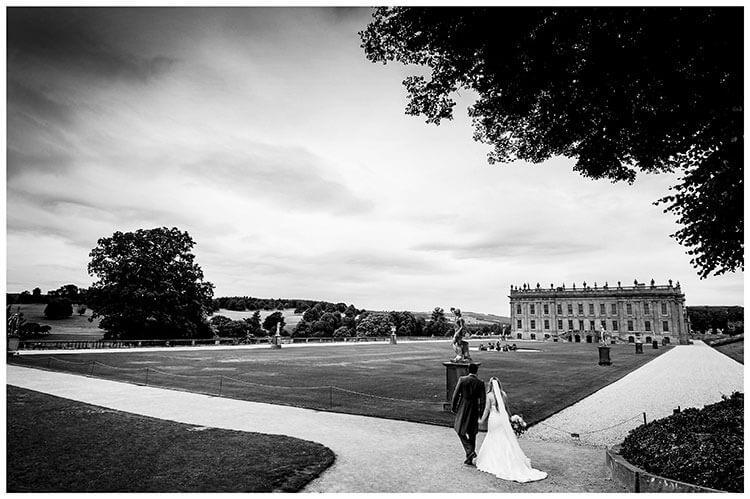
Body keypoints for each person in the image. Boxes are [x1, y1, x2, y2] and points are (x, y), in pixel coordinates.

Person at [475, 377, 547, 482]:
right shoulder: (504, 394)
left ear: (490, 385)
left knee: (492, 436)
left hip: (494, 419)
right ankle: (509, 460)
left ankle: (495, 461)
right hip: (502, 419)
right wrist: (510, 419)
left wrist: (481, 420)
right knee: (504, 437)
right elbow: (507, 409)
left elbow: (487, 409)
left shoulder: (489, 395)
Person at [451, 363, 485, 466]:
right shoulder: (480, 383)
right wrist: (481, 412)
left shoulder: (462, 380)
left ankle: (470, 452)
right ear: (476, 371)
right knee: (472, 433)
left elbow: (456, 394)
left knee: (459, 429)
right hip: (474, 408)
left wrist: (454, 407)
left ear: (468, 370)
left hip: (464, 407)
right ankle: (469, 456)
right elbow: (483, 400)